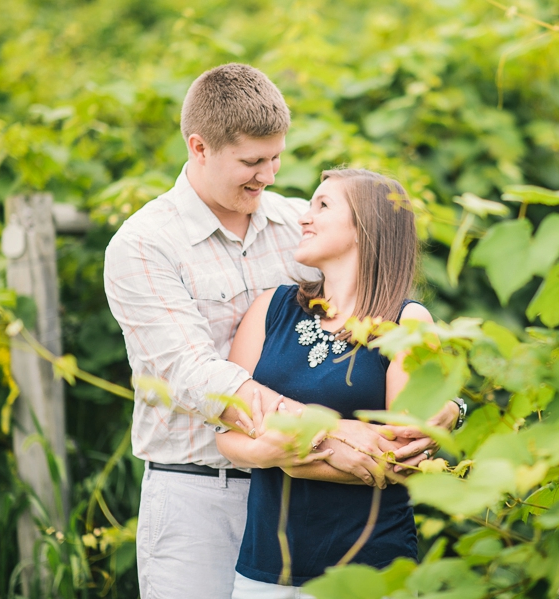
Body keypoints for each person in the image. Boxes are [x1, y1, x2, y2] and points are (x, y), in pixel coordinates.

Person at [103, 64, 457, 599]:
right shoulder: (145, 245)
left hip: (308, 496)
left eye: (275, 158)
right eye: (251, 162)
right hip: (201, 491)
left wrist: (450, 407)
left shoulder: (297, 223)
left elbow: (374, 310)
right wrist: (333, 431)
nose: (268, 176)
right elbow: (196, 377)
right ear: (199, 148)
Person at [217, 169, 447, 598]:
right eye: (310, 204)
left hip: (370, 569)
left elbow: (402, 457)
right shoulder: (271, 308)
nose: (305, 217)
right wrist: (277, 453)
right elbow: (227, 432)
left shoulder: (407, 323)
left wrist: (289, 456)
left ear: (366, 227)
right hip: (267, 568)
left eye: (323, 205)